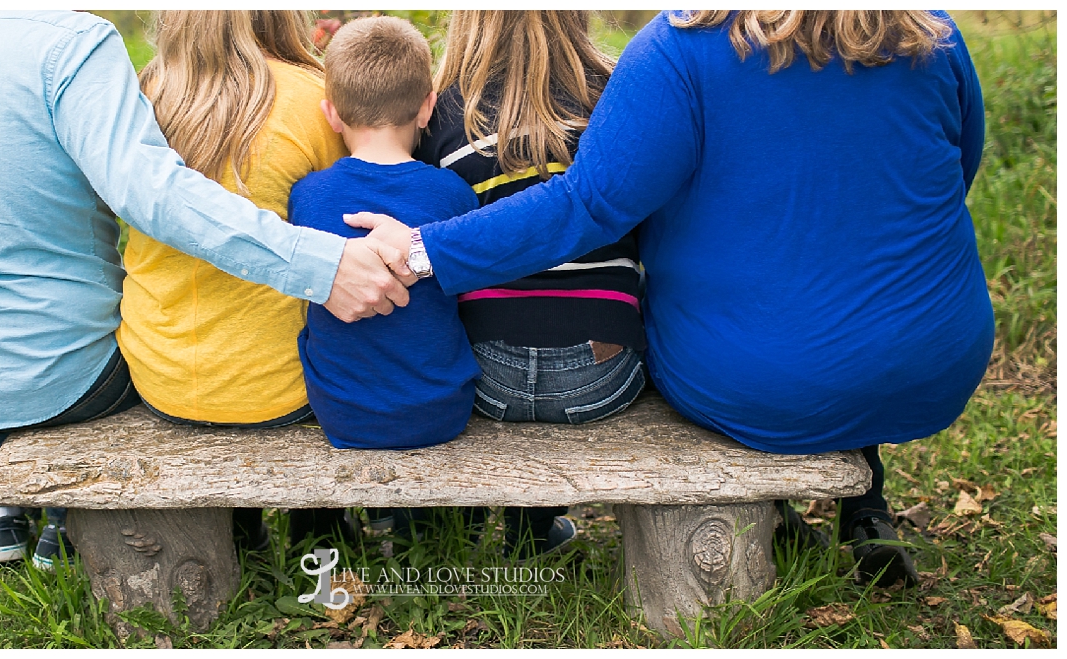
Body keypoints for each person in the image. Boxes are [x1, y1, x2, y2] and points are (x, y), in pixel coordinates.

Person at [353, 10, 992, 586]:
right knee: (835, 290)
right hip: (933, 359)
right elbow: (955, 171)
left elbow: (591, 204)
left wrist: (421, 250)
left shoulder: (680, 48)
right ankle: (866, 509)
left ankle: (772, 512)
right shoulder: (931, 35)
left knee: (663, 304)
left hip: (763, 381)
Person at [0, 10, 412, 570]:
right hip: (94, 380)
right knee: (249, 346)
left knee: (172, 339)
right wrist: (320, 264)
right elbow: (150, 193)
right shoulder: (74, 42)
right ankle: (76, 515)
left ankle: (12, 514)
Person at [117, 10, 353, 551]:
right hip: (284, 390)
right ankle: (317, 529)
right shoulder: (311, 98)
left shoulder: (139, 97)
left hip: (161, 378)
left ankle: (240, 533)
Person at [410, 10, 641, 559]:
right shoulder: (616, 97)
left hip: (487, 377)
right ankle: (532, 527)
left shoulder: (443, 112)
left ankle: (475, 529)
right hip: (601, 375)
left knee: (490, 314)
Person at [285, 16, 482, 543]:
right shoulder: (453, 195)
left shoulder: (307, 196)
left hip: (343, 412)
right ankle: (420, 535)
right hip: (442, 409)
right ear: (427, 107)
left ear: (331, 114)